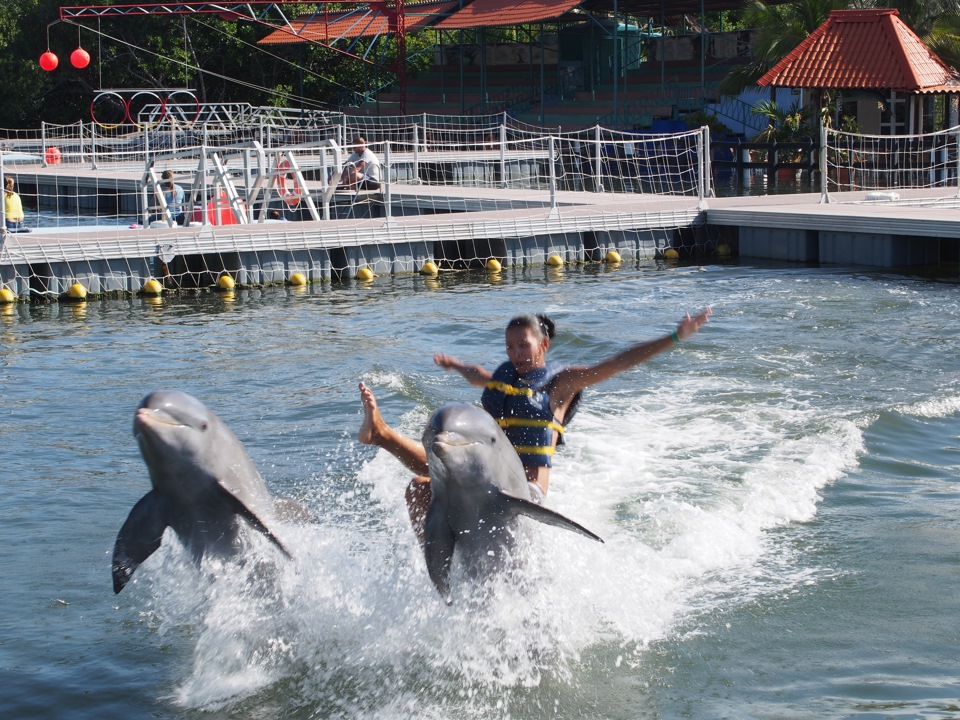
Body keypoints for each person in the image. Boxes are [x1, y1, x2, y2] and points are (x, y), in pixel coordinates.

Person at [358, 308, 712, 536]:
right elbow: (478, 376)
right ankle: (437, 563)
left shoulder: (561, 385)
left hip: (524, 492)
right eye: (510, 347)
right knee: (425, 482)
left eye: (524, 346)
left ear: (543, 345)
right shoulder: (504, 379)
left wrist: (675, 337)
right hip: (488, 473)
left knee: (442, 475)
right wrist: (454, 365)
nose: (516, 354)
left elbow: (618, 362)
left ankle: (384, 436)